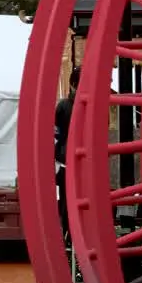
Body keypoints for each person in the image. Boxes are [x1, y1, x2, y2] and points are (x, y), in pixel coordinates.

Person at [55, 67, 79, 243]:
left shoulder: (64, 105)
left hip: (66, 160)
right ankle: (72, 236)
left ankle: (69, 237)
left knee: (67, 202)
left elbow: (55, 134)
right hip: (76, 161)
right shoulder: (91, 104)